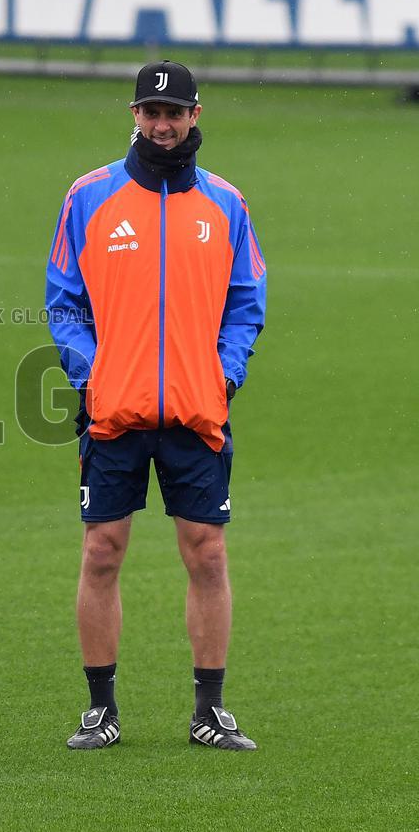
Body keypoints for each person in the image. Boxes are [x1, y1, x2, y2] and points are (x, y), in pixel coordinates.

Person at [45, 61, 266, 751]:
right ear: (133, 114)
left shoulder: (226, 204)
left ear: (196, 115)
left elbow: (246, 302)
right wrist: (93, 376)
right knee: (102, 551)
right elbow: (64, 300)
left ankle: (209, 711)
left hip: (198, 413)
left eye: (174, 113)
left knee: (207, 554)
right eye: (150, 112)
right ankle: (100, 709)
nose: (162, 125)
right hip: (115, 412)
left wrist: (222, 374)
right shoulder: (89, 197)